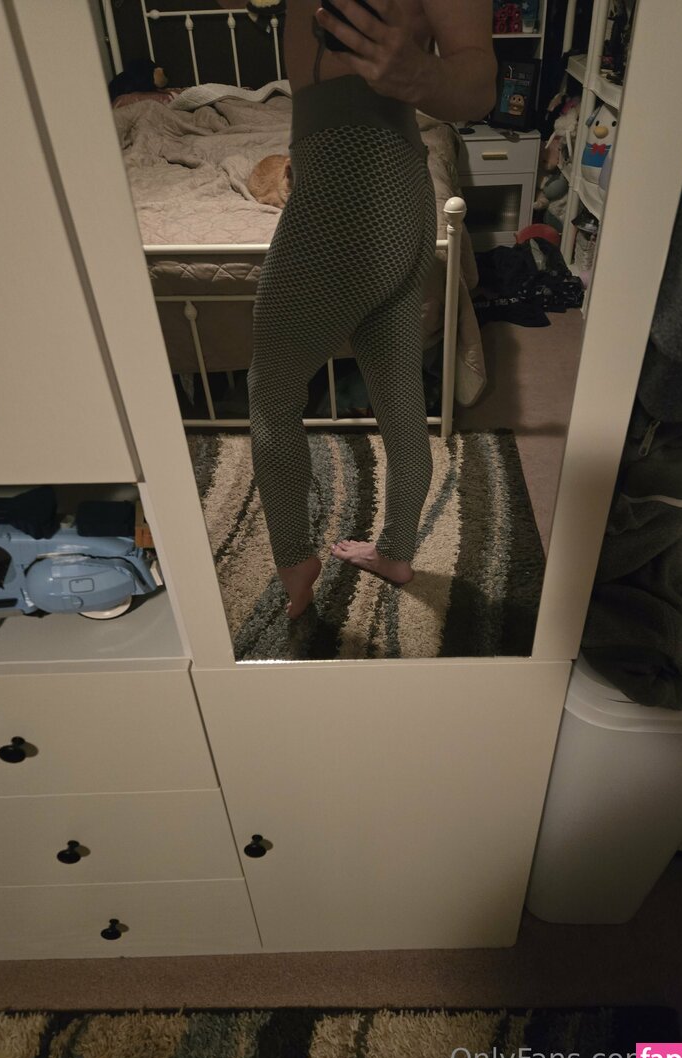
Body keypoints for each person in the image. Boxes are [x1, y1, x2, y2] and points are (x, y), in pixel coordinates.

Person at [246, 0, 496, 616]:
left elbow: (480, 84)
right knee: (398, 394)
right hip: (399, 192)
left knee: (272, 390)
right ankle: (397, 553)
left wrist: (420, 73)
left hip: (349, 186)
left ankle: (294, 557)